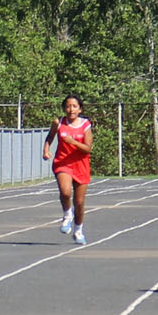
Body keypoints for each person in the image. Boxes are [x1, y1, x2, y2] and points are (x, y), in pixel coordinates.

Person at [43, 93, 92, 245]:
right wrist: (46, 149)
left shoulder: (85, 125)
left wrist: (73, 142)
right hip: (63, 163)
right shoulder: (58, 122)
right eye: (68, 106)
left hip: (81, 165)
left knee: (79, 201)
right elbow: (50, 136)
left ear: (80, 109)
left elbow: (87, 148)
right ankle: (66, 214)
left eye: (74, 106)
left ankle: (78, 230)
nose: (71, 109)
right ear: (64, 108)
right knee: (65, 191)